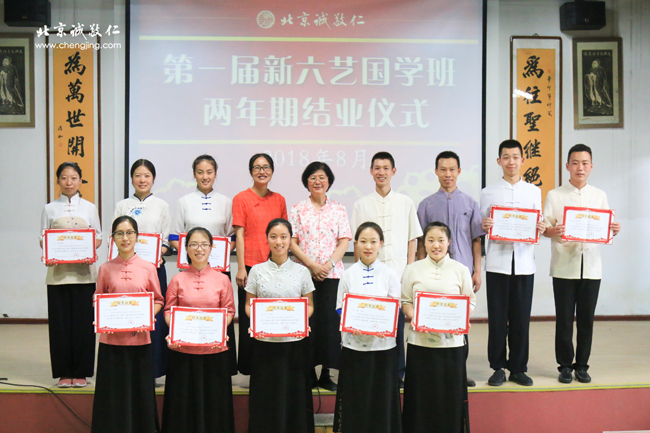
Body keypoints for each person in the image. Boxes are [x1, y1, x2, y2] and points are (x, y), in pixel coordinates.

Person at [542, 144, 621, 384]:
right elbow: (544, 227)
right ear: (567, 166)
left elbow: (605, 228)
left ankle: (582, 365)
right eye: (575, 163)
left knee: (586, 320)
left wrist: (613, 229)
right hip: (563, 266)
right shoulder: (555, 195)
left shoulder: (599, 195)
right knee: (564, 320)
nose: (580, 167)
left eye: (585, 163)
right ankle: (565, 366)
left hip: (591, 267)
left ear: (591, 166)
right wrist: (552, 231)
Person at [349, 152, 422, 386]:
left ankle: (397, 372)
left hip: (398, 273)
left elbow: (412, 239)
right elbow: (357, 242)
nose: (381, 172)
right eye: (377, 168)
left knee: (397, 326)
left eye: (386, 168)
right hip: (370, 274)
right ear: (371, 171)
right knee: (371, 322)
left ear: (393, 171)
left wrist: (409, 269)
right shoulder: (361, 204)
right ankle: (372, 370)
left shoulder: (405, 202)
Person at [480, 140, 546, 387]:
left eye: (515, 157)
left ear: (522, 160)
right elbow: (482, 225)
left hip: (525, 264)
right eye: (506, 157)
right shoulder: (488, 192)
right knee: (497, 320)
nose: (511, 162)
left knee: (520, 319)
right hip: (497, 263)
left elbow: (538, 223)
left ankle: (518, 368)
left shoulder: (533, 191)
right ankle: (498, 367)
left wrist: (540, 227)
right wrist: (484, 225)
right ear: (499, 161)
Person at [416, 150, 485, 387]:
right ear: (436, 171)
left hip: (461, 271)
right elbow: (421, 243)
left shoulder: (470, 203)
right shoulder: (426, 205)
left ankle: (459, 372)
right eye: (443, 169)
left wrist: (477, 271)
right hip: (432, 273)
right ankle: (433, 373)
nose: (448, 174)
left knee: (459, 323)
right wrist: (419, 269)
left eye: (452, 169)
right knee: (432, 321)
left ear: (459, 171)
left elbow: (476, 240)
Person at [91, 216, 164, 433]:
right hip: (111, 342)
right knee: (112, 392)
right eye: (120, 233)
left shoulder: (148, 268)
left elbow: (158, 300)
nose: (125, 238)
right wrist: (104, 317)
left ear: (137, 236)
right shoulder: (105, 268)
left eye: (130, 233)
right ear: (113, 238)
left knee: (139, 391)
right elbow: (98, 299)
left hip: (139, 341)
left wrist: (146, 316)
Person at [401, 222, 475, 433]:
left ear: (448, 242)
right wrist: (417, 317)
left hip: (451, 345)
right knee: (420, 396)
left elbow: (470, 302)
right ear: (424, 243)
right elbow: (405, 301)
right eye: (431, 240)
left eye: (441, 240)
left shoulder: (460, 270)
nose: (436, 245)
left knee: (448, 397)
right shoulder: (412, 269)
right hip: (420, 344)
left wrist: (460, 318)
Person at [161, 227, 236, 433]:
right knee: (182, 406)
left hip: (214, 351)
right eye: (193, 244)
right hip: (183, 352)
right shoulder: (177, 279)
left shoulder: (223, 279)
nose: (199, 249)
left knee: (214, 405)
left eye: (204, 244)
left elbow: (229, 310)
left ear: (211, 248)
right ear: (186, 248)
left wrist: (218, 328)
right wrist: (174, 330)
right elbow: (168, 311)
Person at [245, 218, 316, 433]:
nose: (279, 242)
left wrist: (301, 320)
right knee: (265, 396)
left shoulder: (302, 271)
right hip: (264, 344)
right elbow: (249, 305)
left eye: (284, 237)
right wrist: (256, 320)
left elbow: (309, 305)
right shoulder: (256, 270)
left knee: (293, 395)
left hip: (293, 345)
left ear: (290, 240)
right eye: (274, 237)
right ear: (267, 239)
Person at [169, 154, 237, 374]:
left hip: (219, 273)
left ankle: (220, 368)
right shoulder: (184, 201)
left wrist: (217, 256)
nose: (205, 176)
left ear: (215, 174)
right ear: (194, 174)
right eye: (200, 172)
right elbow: (174, 237)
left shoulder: (226, 202)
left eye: (209, 172)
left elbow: (232, 237)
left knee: (219, 316)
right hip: (190, 272)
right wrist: (194, 255)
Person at [333, 222, 402, 433]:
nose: (368, 246)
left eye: (373, 241)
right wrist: (351, 323)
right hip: (354, 348)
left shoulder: (390, 274)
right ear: (356, 244)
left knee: (381, 399)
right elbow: (340, 307)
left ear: (381, 243)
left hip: (383, 348)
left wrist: (384, 324)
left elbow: (395, 308)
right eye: (363, 241)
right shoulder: (348, 274)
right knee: (356, 398)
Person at [289, 161, 352, 391]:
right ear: (306, 182)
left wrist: (327, 265)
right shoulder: (297, 209)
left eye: (322, 177)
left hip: (331, 275)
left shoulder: (338, 209)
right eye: (313, 177)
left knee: (328, 325)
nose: (317, 181)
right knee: (307, 322)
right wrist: (312, 265)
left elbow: (344, 241)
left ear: (329, 181)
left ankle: (326, 374)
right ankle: (306, 373)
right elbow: (292, 242)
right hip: (304, 275)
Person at [40, 162, 102, 388]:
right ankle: (64, 372)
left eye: (74, 178)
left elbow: (98, 236)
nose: (69, 182)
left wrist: (89, 250)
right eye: (64, 178)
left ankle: (82, 372)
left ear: (80, 180)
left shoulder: (90, 207)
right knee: (60, 326)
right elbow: (43, 238)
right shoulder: (49, 208)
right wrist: (49, 252)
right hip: (58, 275)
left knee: (83, 325)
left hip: (84, 275)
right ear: (58, 180)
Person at [114, 158, 171, 380]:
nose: (142, 179)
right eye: (138, 175)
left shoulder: (162, 205)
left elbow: (165, 241)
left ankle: (153, 370)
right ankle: (128, 369)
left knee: (153, 318)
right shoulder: (122, 205)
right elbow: (115, 238)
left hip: (153, 270)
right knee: (128, 313)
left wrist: (157, 254)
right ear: (131, 179)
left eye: (147, 175)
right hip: (126, 271)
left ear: (153, 179)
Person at [232, 153, 288, 375]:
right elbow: (240, 234)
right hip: (249, 267)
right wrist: (240, 267)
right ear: (250, 171)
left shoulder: (279, 199)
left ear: (272, 171)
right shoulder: (241, 198)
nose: (261, 171)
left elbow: (284, 235)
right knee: (249, 317)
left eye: (266, 167)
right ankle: (249, 366)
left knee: (273, 314)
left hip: (275, 266)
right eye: (257, 167)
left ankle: (272, 363)